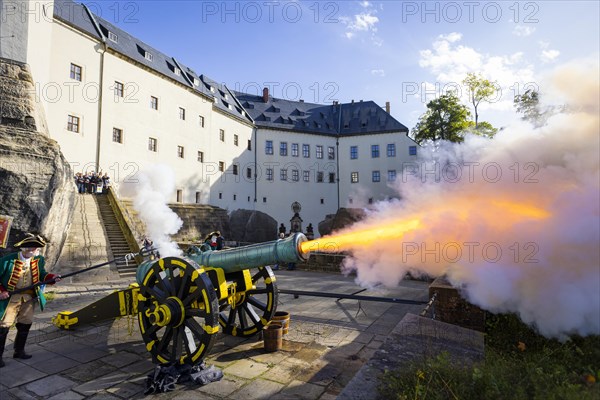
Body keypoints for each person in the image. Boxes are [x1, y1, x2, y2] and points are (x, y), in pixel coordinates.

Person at [0, 233, 60, 368]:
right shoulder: (7, 260)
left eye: (38, 249)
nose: (37, 251)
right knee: (3, 326)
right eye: (35, 248)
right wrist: (1, 291)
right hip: (11, 298)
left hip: (28, 298)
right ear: (26, 249)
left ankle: (19, 351)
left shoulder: (38, 260)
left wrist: (52, 277)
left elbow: (42, 275)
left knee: (25, 324)